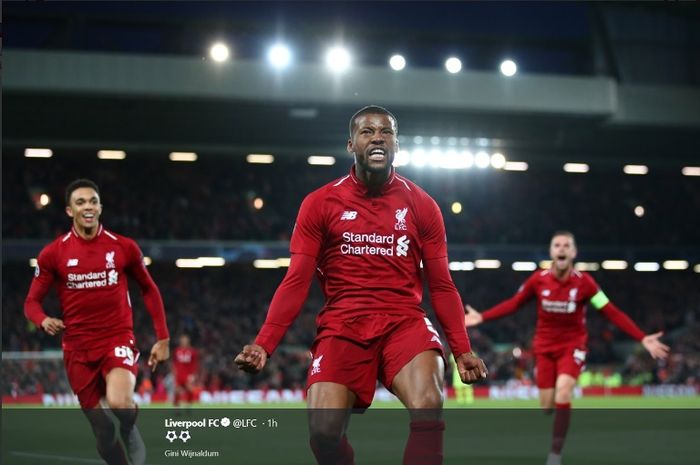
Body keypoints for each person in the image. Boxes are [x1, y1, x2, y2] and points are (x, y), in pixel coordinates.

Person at [235, 105, 487, 465]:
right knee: (323, 435)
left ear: (396, 144)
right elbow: (296, 280)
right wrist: (264, 343)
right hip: (342, 325)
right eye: (367, 132)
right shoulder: (320, 204)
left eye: (386, 132)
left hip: (404, 321)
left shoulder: (423, 206)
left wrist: (461, 349)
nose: (378, 137)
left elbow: (443, 285)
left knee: (429, 404)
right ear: (351, 144)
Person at [464, 231, 669, 465]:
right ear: (551, 252)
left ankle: (555, 455)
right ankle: (552, 417)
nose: (561, 249)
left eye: (566, 245)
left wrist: (641, 337)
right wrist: (483, 316)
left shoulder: (585, 283)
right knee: (546, 405)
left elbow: (610, 310)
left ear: (573, 252)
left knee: (563, 391)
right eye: (557, 245)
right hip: (543, 347)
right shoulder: (538, 280)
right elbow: (515, 303)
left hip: (572, 346)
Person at [24, 178, 170, 465]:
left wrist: (163, 337)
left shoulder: (123, 247)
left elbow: (149, 289)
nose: (88, 207)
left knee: (120, 404)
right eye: (81, 202)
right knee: (102, 430)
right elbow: (31, 302)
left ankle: (130, 429)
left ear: (100, 207)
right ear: (69, 210)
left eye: (93, 201)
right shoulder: (53, 254)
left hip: (116, 337)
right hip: (77, 348)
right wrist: (42, 320)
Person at [172, 334, 200, 411]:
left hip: (188, 375)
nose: (184, 342)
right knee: (177, 391)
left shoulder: (192, 351)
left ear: (188, 341)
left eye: (185, 340)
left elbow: (195, 364)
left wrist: (193, 375)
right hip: (179, 375)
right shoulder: (177, 351)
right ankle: (176, 407)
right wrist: (174, 373)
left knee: (190, 390)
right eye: (182, 340)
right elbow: (174, 363)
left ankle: (188, 406)